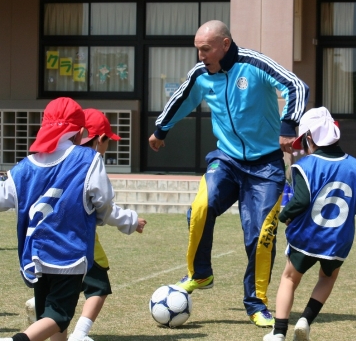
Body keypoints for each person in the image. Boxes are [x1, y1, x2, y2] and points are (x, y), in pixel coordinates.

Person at [148, 20, 310, 327]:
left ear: (224, 44)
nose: (200, 56)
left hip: (266, 166)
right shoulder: (201, 75)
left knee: (260, 236)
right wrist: (161, 130)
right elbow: (182, 99)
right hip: (227, 159)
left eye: (206, 49)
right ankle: (200, 274)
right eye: (197, 49)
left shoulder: (254, 64)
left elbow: (296, 86)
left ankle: (256, 302)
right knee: (199, 208)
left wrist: (289, 126)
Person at [0, 98, 142, 341]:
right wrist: (130, 221)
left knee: (49, 318)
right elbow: (104, 206)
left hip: (34, 257)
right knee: (59, 316)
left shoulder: (23, 168)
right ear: (79, 132)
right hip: (68, 255)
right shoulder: (88, 160)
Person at [264, 107, 356, 341]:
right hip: (338, 239)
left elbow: (300, 201)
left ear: (310, 137)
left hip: (307, 236)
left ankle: (278, 333)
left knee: (289, 278)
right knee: (327, 277)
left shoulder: (305, 165)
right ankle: (305, 320)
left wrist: (284, 216)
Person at [66, 108, 147, 341]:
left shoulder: (58, 158)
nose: (107, 146)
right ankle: (79, 334)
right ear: (99, 139)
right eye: (107, 140)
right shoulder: (92, 163)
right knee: (98, 286)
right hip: (82, 238)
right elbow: (105, 209)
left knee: (59, 283)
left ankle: (44, 311)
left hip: (49, 237)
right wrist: (132, 221)